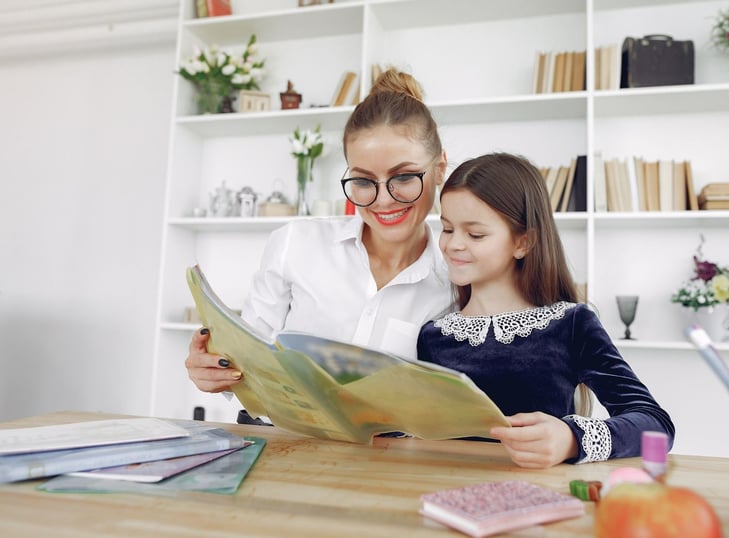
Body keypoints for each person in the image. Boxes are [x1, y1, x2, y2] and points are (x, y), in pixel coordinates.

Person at [185, 68, 452, 395]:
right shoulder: (295, 244)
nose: (383, 200)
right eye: (364, 181)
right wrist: (214, 372)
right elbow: (245, 363)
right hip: (288, 441)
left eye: (404, 178)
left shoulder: (457, 278)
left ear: (439, 169)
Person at [416, 152, 675, 469]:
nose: (453, 244)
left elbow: (655, 423)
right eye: (446, 228)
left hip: (542, 501)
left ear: (523, 242)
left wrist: (570, 438)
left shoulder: (571, 324)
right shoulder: (432, 337)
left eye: (475, 234)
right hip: (444, 501)